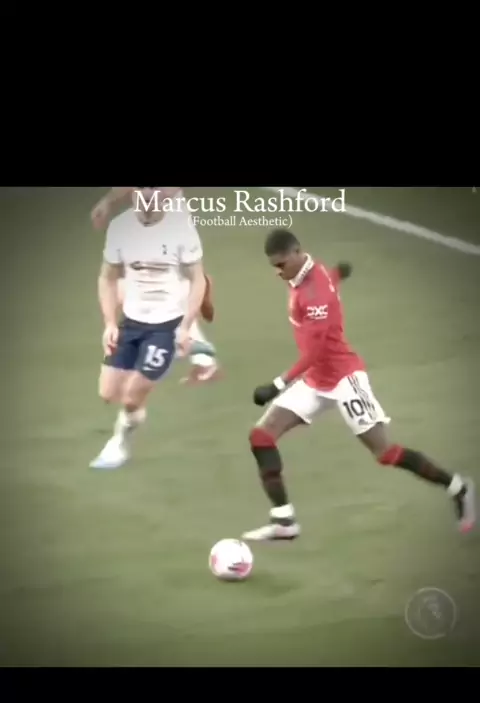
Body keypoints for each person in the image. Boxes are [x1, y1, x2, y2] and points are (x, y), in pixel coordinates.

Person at [243, 229, 475, 541]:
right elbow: (327, 281)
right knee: (261, 436)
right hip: (316, 379)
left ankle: (458, 487)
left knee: (385, 453)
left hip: (344, 379)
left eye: (281, 264)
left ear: (297, 252)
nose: (278, 272)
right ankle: (284, 521)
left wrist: (277, 384)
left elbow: (315, 351)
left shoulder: (314, 294)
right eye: (274, 266)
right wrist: (339, 275)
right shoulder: (308, 274)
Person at [90, 188, 207, 470]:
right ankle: (137, 397)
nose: (146, 195)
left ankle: (120, 442)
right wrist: (109, 323)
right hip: (131, 322)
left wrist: (186, 326)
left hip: (166, 326)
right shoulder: (120, 228)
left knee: (132, 396)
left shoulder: (181, 228)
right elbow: (107, 278)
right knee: (107, 393)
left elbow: (198, 280)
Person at [91, 187, 221, 383]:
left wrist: (154, 199)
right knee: (135, 281)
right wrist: (109, 201)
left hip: (166, 210)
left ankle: (191, 347)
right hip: (151, 210)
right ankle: (192, 347)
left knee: (159, 281)